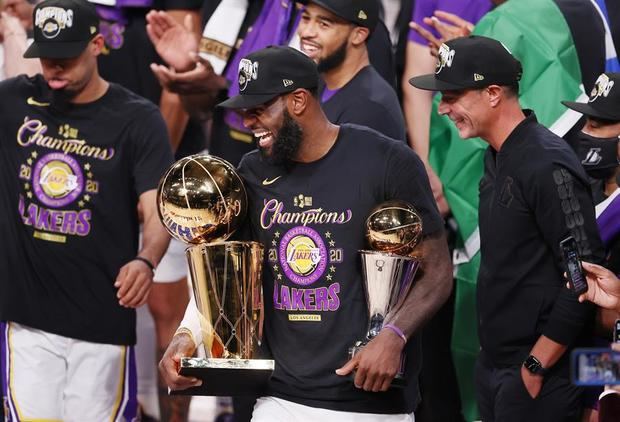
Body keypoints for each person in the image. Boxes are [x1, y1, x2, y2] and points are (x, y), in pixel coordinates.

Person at [160, 45, 453, 420]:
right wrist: (187, 336)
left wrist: (393, 335)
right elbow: (222, 274)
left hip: (368, 402)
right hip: (279, 398)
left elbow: (438, 271)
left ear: (298, 100)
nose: (248, 122)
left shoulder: (387, 162)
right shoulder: (250, 172)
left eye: (258, 110)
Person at [410, 35, 606, 421]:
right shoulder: (496, 157)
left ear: (494, 93)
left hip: (541, 374)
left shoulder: (547, 165)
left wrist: (536, 365)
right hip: (496, 368)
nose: (443, 108)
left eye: (452, 96)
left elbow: (584, 276)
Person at [0, 0, 172, 420]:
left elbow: (158, 209)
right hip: (26, 321)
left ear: (97, 45)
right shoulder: (11, 103)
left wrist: (146, 259)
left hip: (102, 319)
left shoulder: (138, 119)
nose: (54, 68)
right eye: (46, 57)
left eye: (66, 57)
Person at [297, 0, 406, 141]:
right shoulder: (317, 81)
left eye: (324, 24)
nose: (306, 32)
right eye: (306, 18)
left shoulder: (369, 109)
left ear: (358, 35)